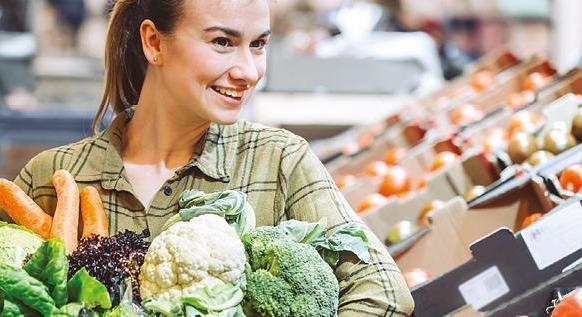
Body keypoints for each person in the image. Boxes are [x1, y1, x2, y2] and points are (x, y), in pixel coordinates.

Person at [2, 0, 414, 315]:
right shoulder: (54, 177)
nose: (248, 71)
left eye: (258, 45)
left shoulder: (280, 161)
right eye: (223, 42)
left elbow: (382, 290)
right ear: (153, 42)